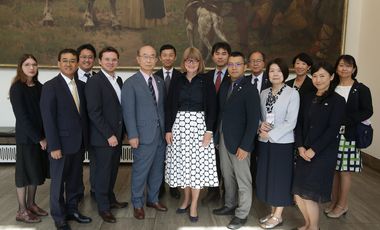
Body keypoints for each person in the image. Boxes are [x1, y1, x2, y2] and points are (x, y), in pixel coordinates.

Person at [40, 49, 92, 230]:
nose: (69, 64)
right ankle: (59, 216)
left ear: (77, 64)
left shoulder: (82, 86)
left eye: (72, 61)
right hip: (59, 145)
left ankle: (72, 210)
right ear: (58, 63)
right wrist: (53, 146)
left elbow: (82, 116)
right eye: (65, 61)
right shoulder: (50, 86)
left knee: (74, 181)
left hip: (78, 144)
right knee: (58, 182)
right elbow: (48, 119)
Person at [292, 62, 346, 230]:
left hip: (322, 155)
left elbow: (332, 130)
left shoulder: (338, 101)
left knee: (310, 195)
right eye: (314, 76)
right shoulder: (307, 96)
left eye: (322, 76)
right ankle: (307, 223)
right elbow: (299, 124)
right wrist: (300, 146)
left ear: (331, 77)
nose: (317, 79)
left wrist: (313, 150)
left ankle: (314, 227)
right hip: (303, 152)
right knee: (298, 194)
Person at [213, 51, 261, 230]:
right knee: (227, 175)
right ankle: (230, 204)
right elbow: (221, 113)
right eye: (231, 64)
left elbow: (253, 121)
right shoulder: (225, 85)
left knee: (243, 179)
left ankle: (242, 214)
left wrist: (246, 145)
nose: (233, 67)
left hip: (240, 142)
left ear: (245, 67)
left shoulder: (250, 89)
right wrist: (218, 137)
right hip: (224, 138)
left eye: (238, 64)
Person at [122, 45, 168, 220]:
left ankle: (153, 199)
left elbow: (161, 108)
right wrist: (132, 135)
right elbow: (128, 112)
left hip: (160, 135)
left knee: (157, 170)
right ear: (138, 59)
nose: (149, 60)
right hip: (141, 136)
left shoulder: (159, 82)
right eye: (145, 56)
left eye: (152, 57)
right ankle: (138, 203)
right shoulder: (130, 83)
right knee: (141, 171)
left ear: (156, 60)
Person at [325, 55, 373, 218]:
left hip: (349, 135)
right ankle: (334, 201)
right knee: (333, 170)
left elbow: (368, 110)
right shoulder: (332, 87)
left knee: (344, 171)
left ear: (353, 69)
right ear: (336, 68)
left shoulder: (361, 89)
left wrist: (346, 120)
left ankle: (343, 204)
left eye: (348, 66)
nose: (343, 69)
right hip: (331, 135)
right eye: (340, 65)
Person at [256, 58, 300, 229]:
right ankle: (273, 211)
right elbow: (259, 116)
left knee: (280, 178)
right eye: (272, 70)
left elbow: (291, 122)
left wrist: (271, 134)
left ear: (284, 74)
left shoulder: (292, 93)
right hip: (264, 141)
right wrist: (261, 126)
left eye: (279, 71)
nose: (275, 74)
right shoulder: (264, 93)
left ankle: (278, 215)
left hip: (282, 143)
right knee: (267, 176)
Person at [85, 46, 127, 223]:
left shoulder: (118, 80)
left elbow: (120, 109)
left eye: (114, 59)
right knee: (102, 173)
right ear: (100, 61)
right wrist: (109, 134)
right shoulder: (95, 82)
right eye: (107, 59)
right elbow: (94, 112)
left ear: (117, 61)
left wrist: (122, 132)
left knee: (112, 171)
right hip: (103, 138)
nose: (111, 62)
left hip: (116, 136)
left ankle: (110, 199)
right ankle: (103, 208)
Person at [9, 54, 49, 224]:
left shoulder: (40, 87)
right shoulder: (17, 88)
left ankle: (31, 204)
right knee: (24, 175)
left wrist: (46, 135)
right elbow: (22, 117)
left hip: (41, 137)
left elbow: (45, 113)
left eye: (34, 64)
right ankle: (21, 210)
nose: (31, 67)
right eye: (27, 64)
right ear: (21, 67)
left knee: (35, 172)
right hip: (27, 138)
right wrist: (38, 137)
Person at [202, 41, 231, 204]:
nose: (220, 56)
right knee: (210, 161)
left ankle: (228, 193)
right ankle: (212, 192)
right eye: (217, 53)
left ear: (229, 56)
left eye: (224, 53)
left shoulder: (233, 76)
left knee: (226, 161)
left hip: (226, 125)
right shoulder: (206, 77)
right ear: (212, 56)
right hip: (208, 125)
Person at [155, 44, 182, 199]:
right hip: (158, 122)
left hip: (176, 122)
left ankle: (174, 186)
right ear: (160, 57)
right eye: (164, 55)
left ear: (175, 57)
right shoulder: (154, 76)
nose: (167, 58)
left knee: (174, 156)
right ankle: (158, 186)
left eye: (170, 55)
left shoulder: (181, 76)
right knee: (159, 157)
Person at [76, 43, 97, 200]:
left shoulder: (99, 78)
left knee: (97, 164)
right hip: (78, 130)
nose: (87, 60)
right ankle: (76, 193)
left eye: (90, 57)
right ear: (78, 59)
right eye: (83, 57)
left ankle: (97, 191)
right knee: (76, 165)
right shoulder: (71, 79)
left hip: (97, 129)